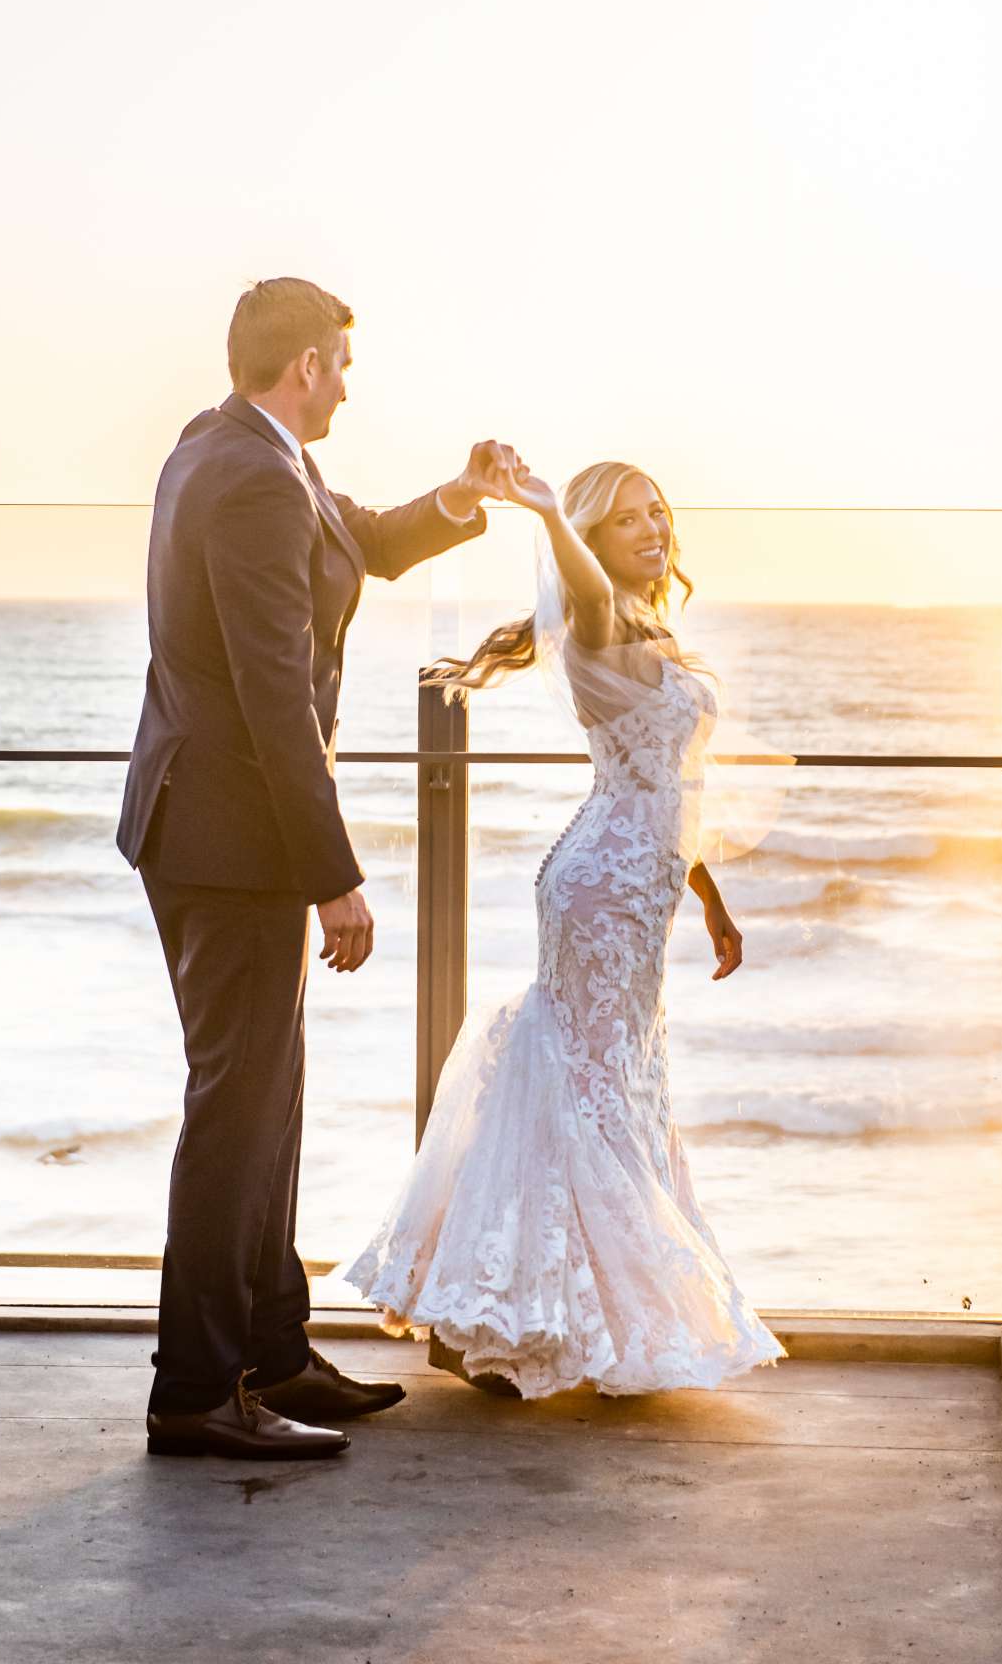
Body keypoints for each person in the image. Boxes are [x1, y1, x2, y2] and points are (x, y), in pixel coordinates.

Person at [118, 275, 519, 1461]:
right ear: (302, 366)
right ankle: (195, 1390)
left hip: (216, 830)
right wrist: (331, 871)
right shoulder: (246, 476)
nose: (349, 380)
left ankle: (271, 1350)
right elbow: (271, 696)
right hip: (227, 839)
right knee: (235, 1113)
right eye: (341, 361)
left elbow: (364, 541)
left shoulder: (240, 449)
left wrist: (461, 494)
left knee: (265, 1101)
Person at [348, 457, 787, 1398]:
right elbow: (586, 597)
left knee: (616, 1081)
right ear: (591, 545)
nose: (650, 528)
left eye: (655, 511)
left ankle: (537, 1314)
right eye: (624, 520)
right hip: (600, 890)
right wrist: (550, 514)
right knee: (587, 1085)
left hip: (642, 882)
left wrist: (708, 894)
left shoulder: (648, 627)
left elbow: (670, 784)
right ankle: (519, 1320)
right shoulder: (599, 620)